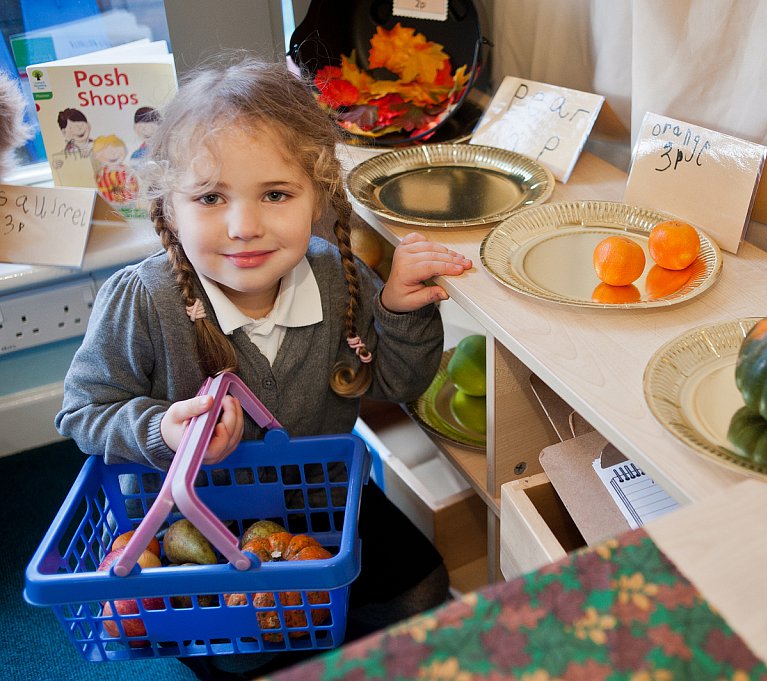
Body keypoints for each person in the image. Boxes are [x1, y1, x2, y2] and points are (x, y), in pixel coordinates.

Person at [55, 56, 473, 679]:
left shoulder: (340, 276)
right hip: (194, 525)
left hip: (325, 501)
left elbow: (396, 384)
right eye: (210, 197)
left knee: (425, 590)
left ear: (316, 198)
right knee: (258, 649)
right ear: (167, 208)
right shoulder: (143, 299)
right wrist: (163, 431)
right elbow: (83, 411)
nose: (244, 227)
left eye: (275, 195)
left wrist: (397, 310)